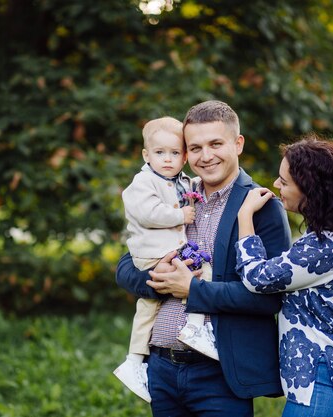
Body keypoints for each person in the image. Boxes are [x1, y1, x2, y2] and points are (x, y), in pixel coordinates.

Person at [116, 100, 292, 416]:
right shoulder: (176, 196)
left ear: (238, 144)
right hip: (162, 369)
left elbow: (269, 299)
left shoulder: (261, 206)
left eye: (215, 144)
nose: (205, 156)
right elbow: (126, 266)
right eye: (194, 147)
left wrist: (193, 291)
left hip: (220, 375)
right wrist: (160, 282)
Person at [235, 133, 333, 417]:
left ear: (311, 189)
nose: (277, 185)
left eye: (285, 181)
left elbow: (257, 277)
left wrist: (244, 217)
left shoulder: (323, 247)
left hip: (326, 383)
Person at [113, 116, 217, 404]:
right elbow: (149, 212)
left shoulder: (181, 180)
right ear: (147, 155)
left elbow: (190, 190)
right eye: (160, 153)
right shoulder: (141, 182)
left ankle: (194, 328)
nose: (168, 159)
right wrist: (180, 216)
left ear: (184, 156)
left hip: (172, 250)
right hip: (151, 254)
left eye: (175, 153)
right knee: (152, 303)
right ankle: (135, 360)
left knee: (197, 277)